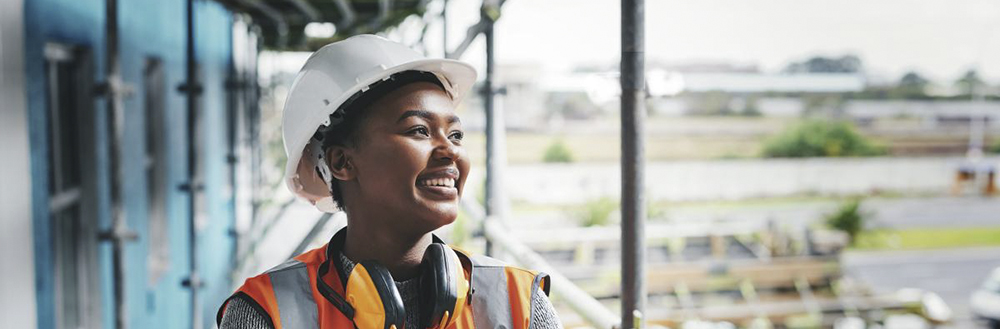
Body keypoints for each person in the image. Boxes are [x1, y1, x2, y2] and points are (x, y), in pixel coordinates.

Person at [217, 35, 562, 329]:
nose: (450, 151)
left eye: (455, 134)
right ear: (342, 161)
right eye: (419, 130)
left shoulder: (519, 305)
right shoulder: (266, 314)